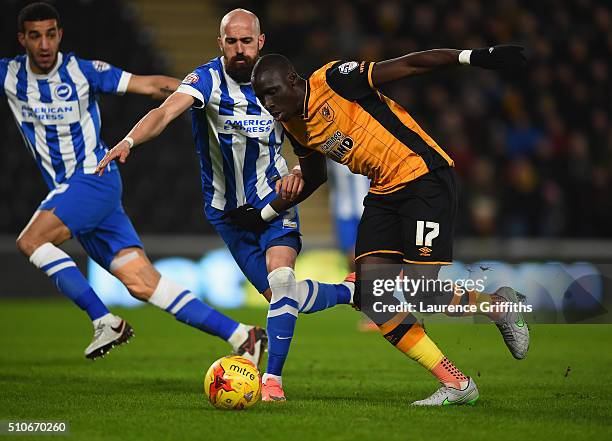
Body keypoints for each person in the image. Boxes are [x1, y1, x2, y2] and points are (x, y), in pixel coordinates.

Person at [95, 9, 354, 401]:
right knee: (287, 299)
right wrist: (129, 141)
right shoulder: (205, 80)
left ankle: (272, 383)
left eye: (246, 41)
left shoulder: (278, 84)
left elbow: (310, 139)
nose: (239, 50)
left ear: (260, 42)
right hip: (228, 215)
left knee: (283, 281)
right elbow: (165, 112)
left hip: (274, 197)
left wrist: (299, 175)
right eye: (231, 42)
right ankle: (353, 292)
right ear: (220, 44)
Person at [248, 47, 531, 405]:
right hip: (383, 192)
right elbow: (315, 177)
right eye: (260, 96)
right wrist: (263, 214)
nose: (267, 102)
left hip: (423, 177)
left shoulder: (335, 80)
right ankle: (457, 385)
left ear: (292, 80)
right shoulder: (294, 124)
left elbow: (410, 64)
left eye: (272, 92)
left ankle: (499, 306)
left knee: (421, 292)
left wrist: (473, 57)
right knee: (372, 298)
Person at [1, 2, 267, 365]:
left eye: (51, 34)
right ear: (22, 40)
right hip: (76, 195)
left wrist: (196, 94)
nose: (44, 44)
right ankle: (241, 335)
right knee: (143, 283)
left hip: (93, 179)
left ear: (60, 35)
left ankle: (103, 319)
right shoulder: (8, 75)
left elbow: (150, 85)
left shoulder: (83, 71)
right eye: (35, 36)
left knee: (31, 240)